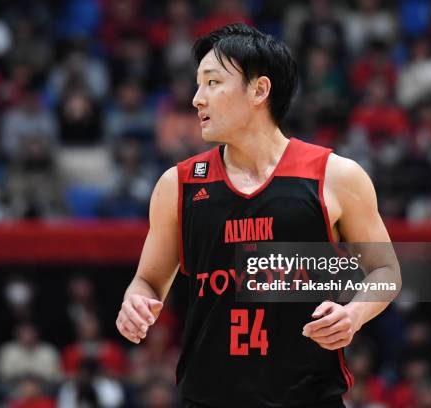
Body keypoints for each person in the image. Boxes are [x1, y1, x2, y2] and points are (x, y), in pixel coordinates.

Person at [116, 23, 401, 407]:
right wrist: (135, 301)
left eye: (213, 82)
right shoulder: (177, 185)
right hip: (208, 399)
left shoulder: (336, 176)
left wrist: (354, 314)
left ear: (259, 90)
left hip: (309, 398)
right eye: (198, 84)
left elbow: (386, 272)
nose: (198, 98)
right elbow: (148, 282)